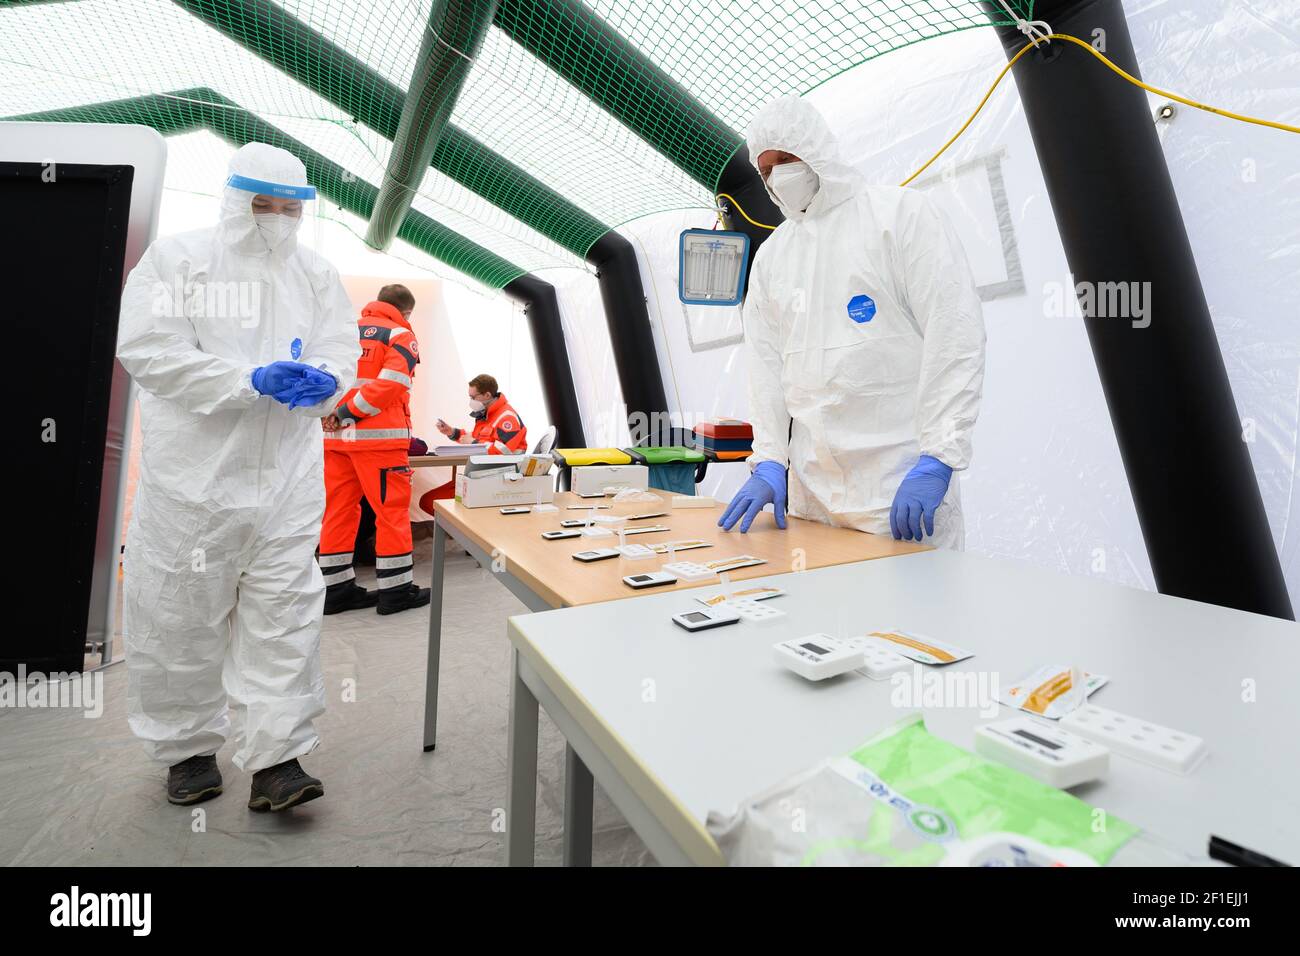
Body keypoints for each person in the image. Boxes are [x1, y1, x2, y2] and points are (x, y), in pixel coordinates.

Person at [117, 142, 359, 811]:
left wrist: (330, 381)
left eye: (290, 208)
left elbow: (343, 346)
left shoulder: (314, 274)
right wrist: (243, 380)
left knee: (284, 617)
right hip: (192, 484)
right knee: (178, 616)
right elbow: (146, 349)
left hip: (286, 479)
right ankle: (188, 750)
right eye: (263, 204)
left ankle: (278, 760)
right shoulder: (179, 259)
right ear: (233, 197)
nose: (276, 218)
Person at [719, 96, 985, 547]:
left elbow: (954, 333)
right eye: (766, 171)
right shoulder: (772, 258)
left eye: (786, 159)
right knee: (825, 616)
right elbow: (764, 368)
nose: (778, 176)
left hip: (897, 495)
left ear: (816, 148)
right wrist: (768, 461)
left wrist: (939, 457)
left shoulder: (899, 217)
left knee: (917, 616)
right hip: (812, 503)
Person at [318, 284, 431, 616]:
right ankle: (395, 592)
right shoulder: (400, 335)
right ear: (406, 311)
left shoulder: (343, 332)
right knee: (391, 513)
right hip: (378, 443)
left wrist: (334, 415)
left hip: (336, 441)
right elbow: (392, 383)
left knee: (338, 511)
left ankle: (335, 590)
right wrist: (349, 411)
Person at [436, 374, 528, 455]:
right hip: (488, 468)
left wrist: (473, 444)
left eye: (473, 397)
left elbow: (504, 451)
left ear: (487, 395)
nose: (471, 401)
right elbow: (473, 438)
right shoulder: (486, 415)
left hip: (505, 470)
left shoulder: (507, 417)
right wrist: (452, 432)